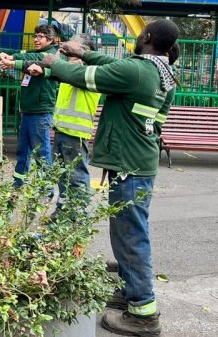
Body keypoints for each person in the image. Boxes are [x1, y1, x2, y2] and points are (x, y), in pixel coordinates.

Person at [29, 19, 180, 336]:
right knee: (127, 232)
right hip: (138, 161)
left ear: (146, 36)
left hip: (130, 165)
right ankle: (130, 292)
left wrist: (56, 62)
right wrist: (81, 52)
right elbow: (115, 64)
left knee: (130, 236)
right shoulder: (159, 72)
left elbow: (81, 77)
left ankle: (143, 313)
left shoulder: (139, 72)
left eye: (140, 34)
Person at [24, 34, 102, 216]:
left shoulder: (89, 70)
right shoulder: (70, 69)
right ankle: (62, 211)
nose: (68, 50)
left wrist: (56, 58)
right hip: (62, 130)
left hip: (76, 132)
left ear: (86, 51)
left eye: (73, 47)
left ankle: (77, 214)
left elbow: (60, 68)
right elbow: (51, 69)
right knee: (62, 176)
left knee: (76, 177)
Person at [0, 24, 59, 186]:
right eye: (35, 36)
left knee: (42, 152)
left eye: (40, 36)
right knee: (23, 151)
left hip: (40, 112)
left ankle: (45, 189)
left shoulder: (50, 55)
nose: (36, 39)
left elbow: (28, 60)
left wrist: (12, 62)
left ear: (50, 39)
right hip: (27, 111)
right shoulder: (34, 53)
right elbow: (16, 54)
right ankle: (18, 184)